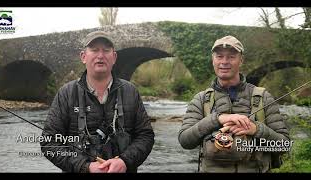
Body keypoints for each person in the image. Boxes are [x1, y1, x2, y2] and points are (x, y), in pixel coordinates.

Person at [40, 31, 155, 173]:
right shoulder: (66, 93)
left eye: (106, 50)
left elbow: (146, 136)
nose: (100, 55)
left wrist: (124, 161)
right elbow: (49, 143)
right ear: (83, 56)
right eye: (94, 50)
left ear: (114, 57)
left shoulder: (130, 91)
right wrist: (85, 166)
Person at [178, 35, 290, 173]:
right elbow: (185, 141)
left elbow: (284, 145)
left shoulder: (263, 97)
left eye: (231, 57)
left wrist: (256, 130)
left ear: (241, 60)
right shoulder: (201, 99)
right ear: (213, 60)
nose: (224, 62)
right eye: (219, 56)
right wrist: (217, 119)